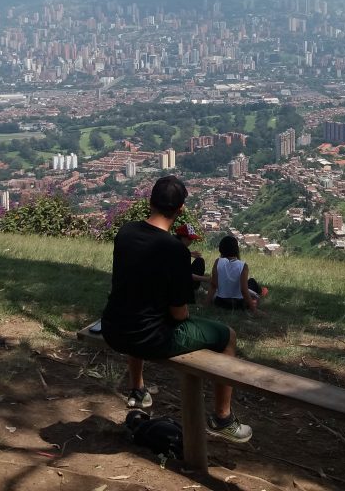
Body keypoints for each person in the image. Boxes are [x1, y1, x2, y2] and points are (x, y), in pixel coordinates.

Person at [101, 176, 253, 443]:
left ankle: (137, 390)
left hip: (113, 327)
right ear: (180, 209)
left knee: (139, 312)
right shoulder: (174, 250)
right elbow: (179, 314)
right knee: (227, 336)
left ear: (150, 202)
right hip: (149, 338)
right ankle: (222, 418)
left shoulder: (125, 233)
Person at [208, 235, 265, 312]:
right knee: (252, 282)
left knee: (250, 282)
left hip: (220, 302)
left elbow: (213, 285)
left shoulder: (218, 262)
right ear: (236, 249)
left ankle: (260, 291)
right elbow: (244, 290)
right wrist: (254, 310)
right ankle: (261, 291)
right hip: (239, 304)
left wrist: (206, 303)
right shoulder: (243, 265)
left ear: (221, 249)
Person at [173, 223, 208, 303]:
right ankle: (194, 288)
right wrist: (207, 279)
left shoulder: (174, 244)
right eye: (190, 239)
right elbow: (186, 275)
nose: (191, 241)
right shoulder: (182, 251)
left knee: (199, 260)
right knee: (200, 261)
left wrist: (190, 253)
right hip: (178, 284)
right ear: (183, 238)